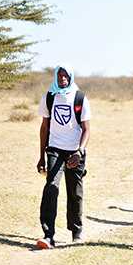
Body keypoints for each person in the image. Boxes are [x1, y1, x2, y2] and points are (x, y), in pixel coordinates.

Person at [35, 65, 91, 250]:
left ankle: (76, 231)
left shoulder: (80, 97)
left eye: (65, 75)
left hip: (75, 151)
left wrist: (79, 151)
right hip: (54, 149)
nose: (62, 78)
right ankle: (48, 235)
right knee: (51, 186)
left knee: (74, 191)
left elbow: (86, 129)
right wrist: (41, 157)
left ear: (71, 77)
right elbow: (44, 128)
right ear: (55, 77)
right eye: (59, 75)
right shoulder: (49, 97)